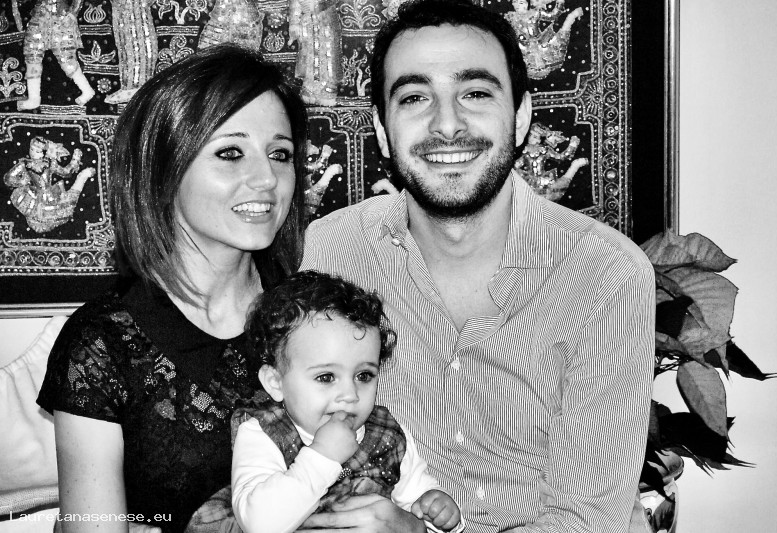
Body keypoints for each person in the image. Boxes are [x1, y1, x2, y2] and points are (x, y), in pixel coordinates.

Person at [300, 0, 656, 532]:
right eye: (415, 97)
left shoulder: (605, 274)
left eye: (475, 93)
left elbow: (587, 520)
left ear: (522, 115)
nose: (447, 124)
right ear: (382, 129)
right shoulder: (334, 252)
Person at [36, 44, 308, 533]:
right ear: (163, 169)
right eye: (230, 153)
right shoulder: (102, 343)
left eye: (280, 154)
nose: (267, 178)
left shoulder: (314, 314)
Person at [230, 270, 463, 533]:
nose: (350, 394)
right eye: (326, 377)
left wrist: (436, 509)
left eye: (364, 376)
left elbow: (416, 502)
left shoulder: (386, 434)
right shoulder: (263, 433)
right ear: (276, 382)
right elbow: (259, 524)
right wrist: (322, 456)